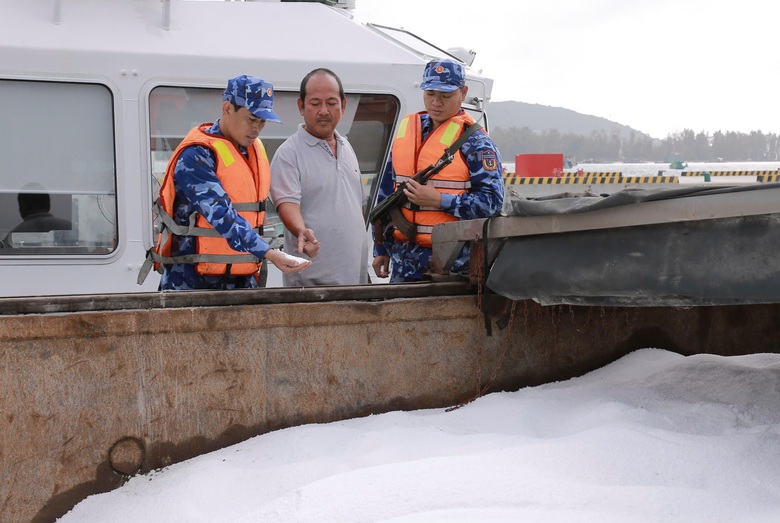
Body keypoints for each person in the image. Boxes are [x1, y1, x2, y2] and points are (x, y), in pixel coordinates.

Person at [142, 75, 310, 290]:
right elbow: (221, 214)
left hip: (242, 280)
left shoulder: (251, 152)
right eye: (251, 119)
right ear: (228, 108)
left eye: (262, 121)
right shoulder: (197, 155)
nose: (257, 128)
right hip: (191, 283)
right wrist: (269, 252)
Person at [372, 59, 504, 282]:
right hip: (403, 265)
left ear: (463, 93)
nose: (436, 102)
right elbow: (386, 194)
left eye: (445, 95)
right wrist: (381, 249)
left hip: (450, 268)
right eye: (430, 93)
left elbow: (492, 203)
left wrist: (439, 200)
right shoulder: (407, 134)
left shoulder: (477, 143)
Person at [270, 68, 369, 286]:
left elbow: (357, 211)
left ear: (343, 105)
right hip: (311, 286)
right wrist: (300, 230)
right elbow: (287, 205)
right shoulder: (289, 154)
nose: (324, 110)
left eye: (331, 102)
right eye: (315, 103)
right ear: (301, 106)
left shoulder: (347, 146)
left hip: (355, 282)